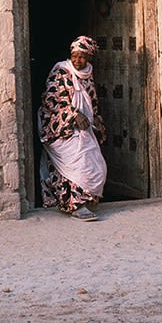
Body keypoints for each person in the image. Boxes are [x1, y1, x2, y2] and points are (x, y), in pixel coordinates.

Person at [38, 35, 108, 221]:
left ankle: (84, 200)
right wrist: (73, 114)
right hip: (61, 128)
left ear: (89, 58)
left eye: (82, 56)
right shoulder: (60, 72)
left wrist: (96, 121)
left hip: (83, 128)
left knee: (96, 164)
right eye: (75, 56)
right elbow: (51, 100)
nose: (78, 60)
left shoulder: (87, 74)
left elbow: (91, 103)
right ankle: (77, 205)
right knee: (78, 164)